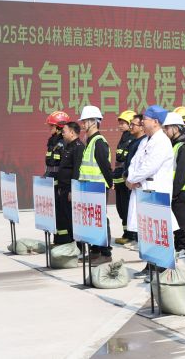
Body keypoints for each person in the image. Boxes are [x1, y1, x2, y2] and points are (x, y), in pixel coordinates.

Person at [126, 105, 175, 278]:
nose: (142, 123)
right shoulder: (146, 140)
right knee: (147, 231)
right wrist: (131, 178)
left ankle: (160, 268)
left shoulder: (161, 141)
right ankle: (150, 265)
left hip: (155, 190)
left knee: (158, 231)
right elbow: (134, 162)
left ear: (155, 122)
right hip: (142, 189)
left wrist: (133, 179)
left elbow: (150, 166)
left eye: (145, 120)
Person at [75, 105, 113, 264]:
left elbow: (105, 166)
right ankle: (95, 251)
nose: (83, 124)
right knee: (91, 221)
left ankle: (106, 253)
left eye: (85, 121)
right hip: (89, 188)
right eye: (83, 121)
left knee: (100, 220)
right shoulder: (89, 141)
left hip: (98, 187)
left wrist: (110, 183)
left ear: (94, 122)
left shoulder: (99, 142)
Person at [162, 112, 185, 258]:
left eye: (167, 128)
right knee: (176, 221)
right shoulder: (174, 145)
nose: (165, 131)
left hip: (183, 191)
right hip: (176, 190)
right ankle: (179, 246)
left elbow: (181, 173)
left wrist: (174, 192)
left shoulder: (184, 146)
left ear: (176, 128)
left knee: (183, 222)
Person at [55, 121, 83, 244]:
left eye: (64, 131)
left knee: (73, 218)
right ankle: (70, 243)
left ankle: (78, 246)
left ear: (72, 132)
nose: (62, 134)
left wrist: (73, 190)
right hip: (63, 188)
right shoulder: (68, 146)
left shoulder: (78, 147)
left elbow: (77, 170)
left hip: (69, 189)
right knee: (66, 217)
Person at [121, 114, 146, 245]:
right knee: (131, 211)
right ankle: (134, 238)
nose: (130, 127)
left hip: (137, 183)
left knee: (139, 213)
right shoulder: (134, 142)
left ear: (142, 127)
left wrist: (132, 178)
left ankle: (138, 239)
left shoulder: (144, 142)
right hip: (130, 180)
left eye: (133, 124)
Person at [114, 110, 136, 245]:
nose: (120, 125)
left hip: (126, 180)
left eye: (123, 123)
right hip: (119, 179)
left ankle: (132, 235)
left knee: (128, 208)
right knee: (121, 208)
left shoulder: (133, 139)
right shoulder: (123, 138)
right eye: (120, 123)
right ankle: (126, 233)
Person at [45, 111, 69, 186]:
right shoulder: (52, 141)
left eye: (52, 126)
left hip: (59, 181)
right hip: (50, 178)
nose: (49, 128)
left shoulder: (64, 143)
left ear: (59, 127)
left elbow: (65, 166)